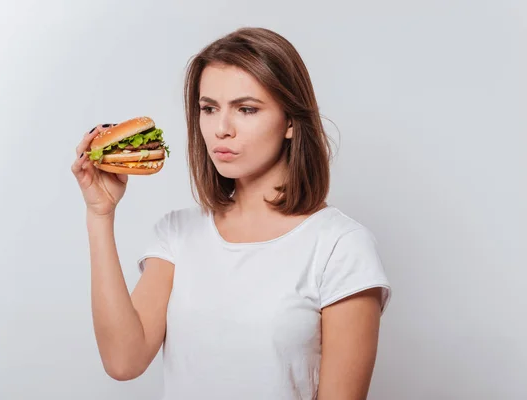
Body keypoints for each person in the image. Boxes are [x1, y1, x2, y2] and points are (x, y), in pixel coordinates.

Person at [71, 27, 391, 400]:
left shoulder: (340, 246)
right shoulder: (177, 234)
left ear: (290, 121)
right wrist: (99, 214)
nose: (221, 129)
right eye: (209, 108)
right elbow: (124, 361)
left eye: (246, 109)